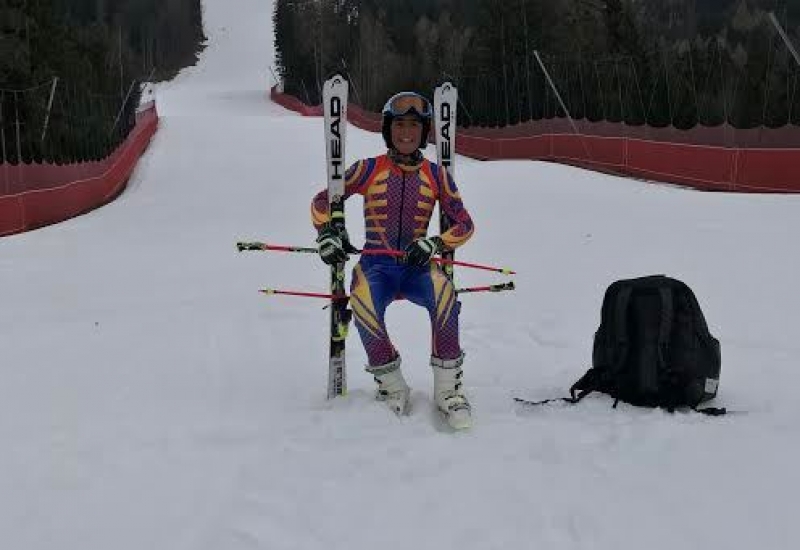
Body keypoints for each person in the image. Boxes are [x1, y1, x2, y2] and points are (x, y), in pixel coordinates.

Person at [310, 91, 475, 429]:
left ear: (424, 132)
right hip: (376, 267)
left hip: (418, 267)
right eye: (399, 125)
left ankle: (448, 391)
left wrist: (434, 243)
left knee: (445, 295)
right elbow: (323, 200)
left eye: (414, 125)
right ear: (388, 129)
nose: (406, 133)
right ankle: (392, 387)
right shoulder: (367, 169)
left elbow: (464, 224)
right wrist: (327, 233)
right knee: (363, 302)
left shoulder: (437, 175)